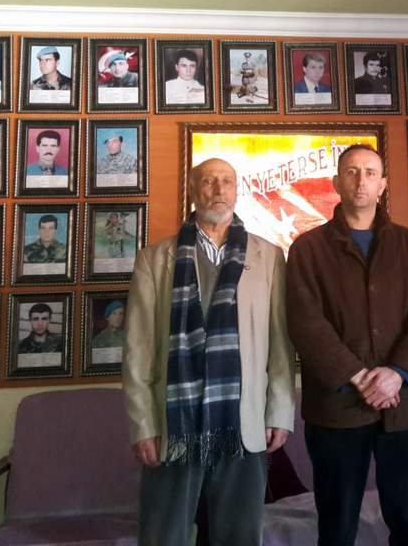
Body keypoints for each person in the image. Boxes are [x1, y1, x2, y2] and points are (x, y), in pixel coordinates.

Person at [123, 157, 294, 545]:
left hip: (243, 421)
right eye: (208, 181)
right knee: (164, 536)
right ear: (192, 189)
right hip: (173, 424)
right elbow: (138, 350)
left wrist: (279, 412)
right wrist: (143, 425)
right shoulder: (154, 259)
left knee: (240, 536)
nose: (218, 190)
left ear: (237, 190)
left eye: (227, 181)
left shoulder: (268, 256)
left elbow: (280, 343)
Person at [287, 145, 408, 546]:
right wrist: (357, 376)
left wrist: (397, 374)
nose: (361, 180)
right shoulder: (307, 248)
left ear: (383, 184)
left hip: (401, 406)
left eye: (370, 172)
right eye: (352, 172)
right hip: (336, 409)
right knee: (337, 525)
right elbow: (305, 322)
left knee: (407, 521)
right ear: (336, 182)